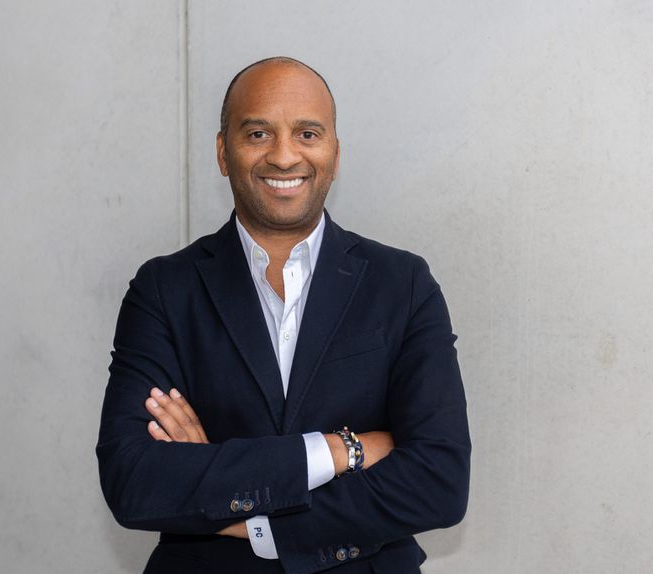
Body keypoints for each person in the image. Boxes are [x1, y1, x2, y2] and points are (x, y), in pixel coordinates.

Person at [96, 56, 471, 574]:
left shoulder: (403, 283)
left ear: (334, 154)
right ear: (222, 152)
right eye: (258, 134)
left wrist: (247, 516)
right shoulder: (164, 289)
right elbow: (134, 481)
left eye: (307, 134)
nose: (284, 155)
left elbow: (440, 482)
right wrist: (339, 452)